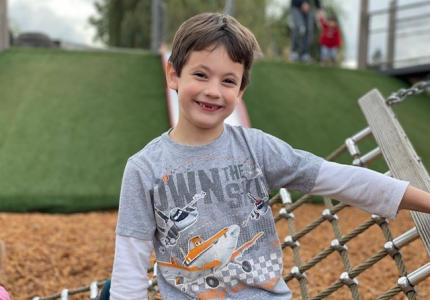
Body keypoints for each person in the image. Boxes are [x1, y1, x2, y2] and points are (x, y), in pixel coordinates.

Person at [109, 13, 430, 300]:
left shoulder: (256, 149)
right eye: (201, 75)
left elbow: (343, 180)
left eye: (228, 81)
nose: (213, 91)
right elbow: (130, 268)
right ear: (174, 75)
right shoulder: (144, 168)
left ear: (241, 90)